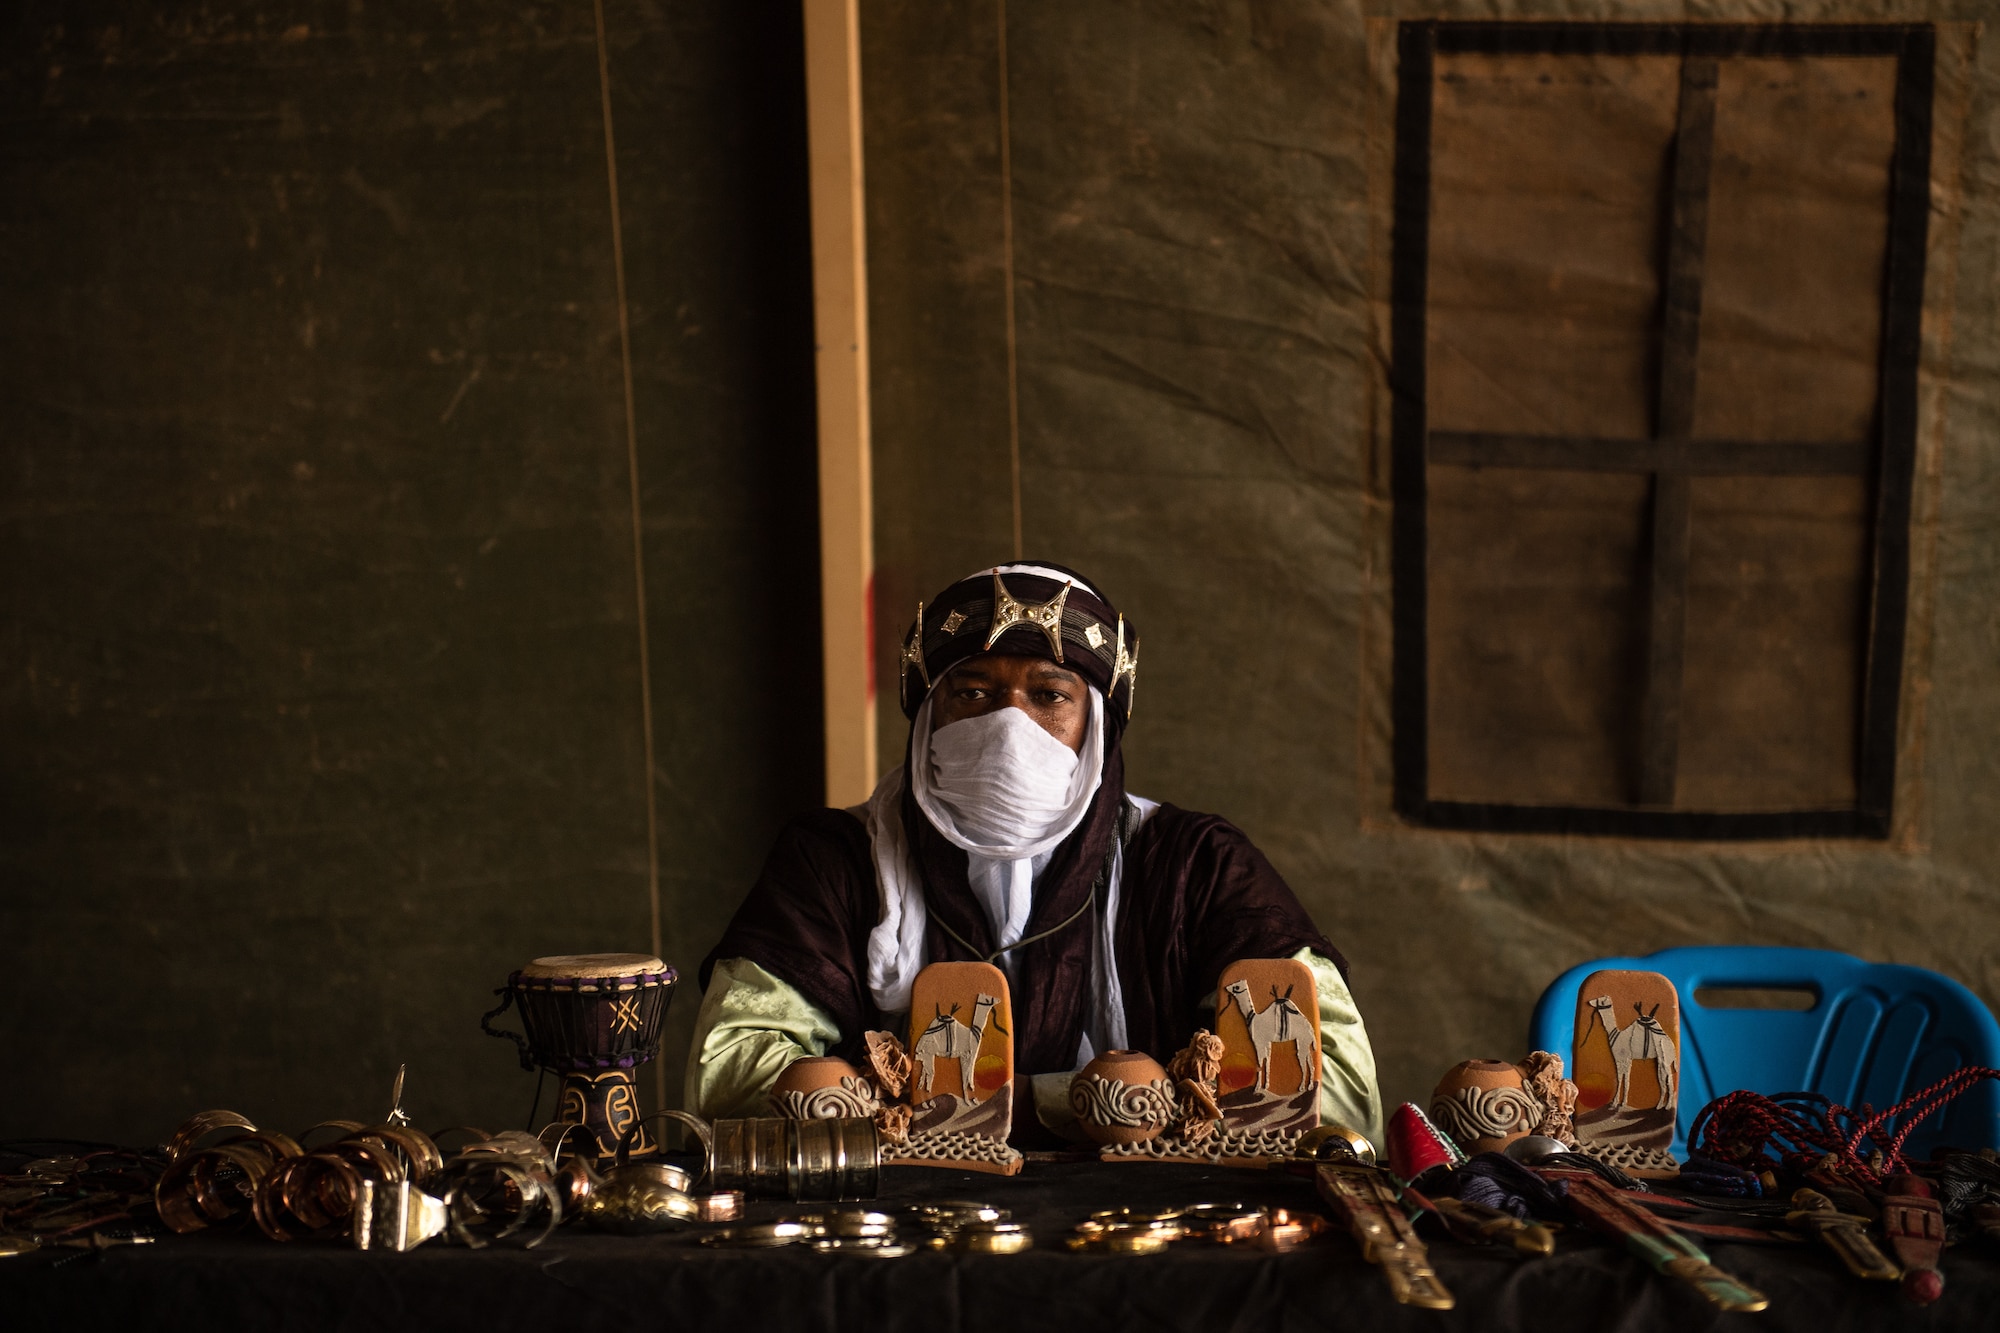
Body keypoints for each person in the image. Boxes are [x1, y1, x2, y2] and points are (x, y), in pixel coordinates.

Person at [685, 561, 1381, 1144]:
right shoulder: (834, 863)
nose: (1008, 726)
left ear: (1095, 726)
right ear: (930, 715)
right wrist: (1110, 1100)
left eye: (1048, 695)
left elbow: (1342, 1097)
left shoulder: (1195, 867)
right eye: (974, 693)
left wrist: (970, 1101)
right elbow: (724, 1077)